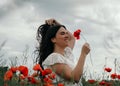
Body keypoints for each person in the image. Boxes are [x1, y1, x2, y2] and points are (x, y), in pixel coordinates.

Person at [36, 19, 90, 86]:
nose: (67, 36)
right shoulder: (54, 58)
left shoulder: (67, 54)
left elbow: (72, 38)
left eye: (66, 33)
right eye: (62, 33)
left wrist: (57, 23)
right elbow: (75, 78)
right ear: (53, 39)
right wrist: (83, 54)